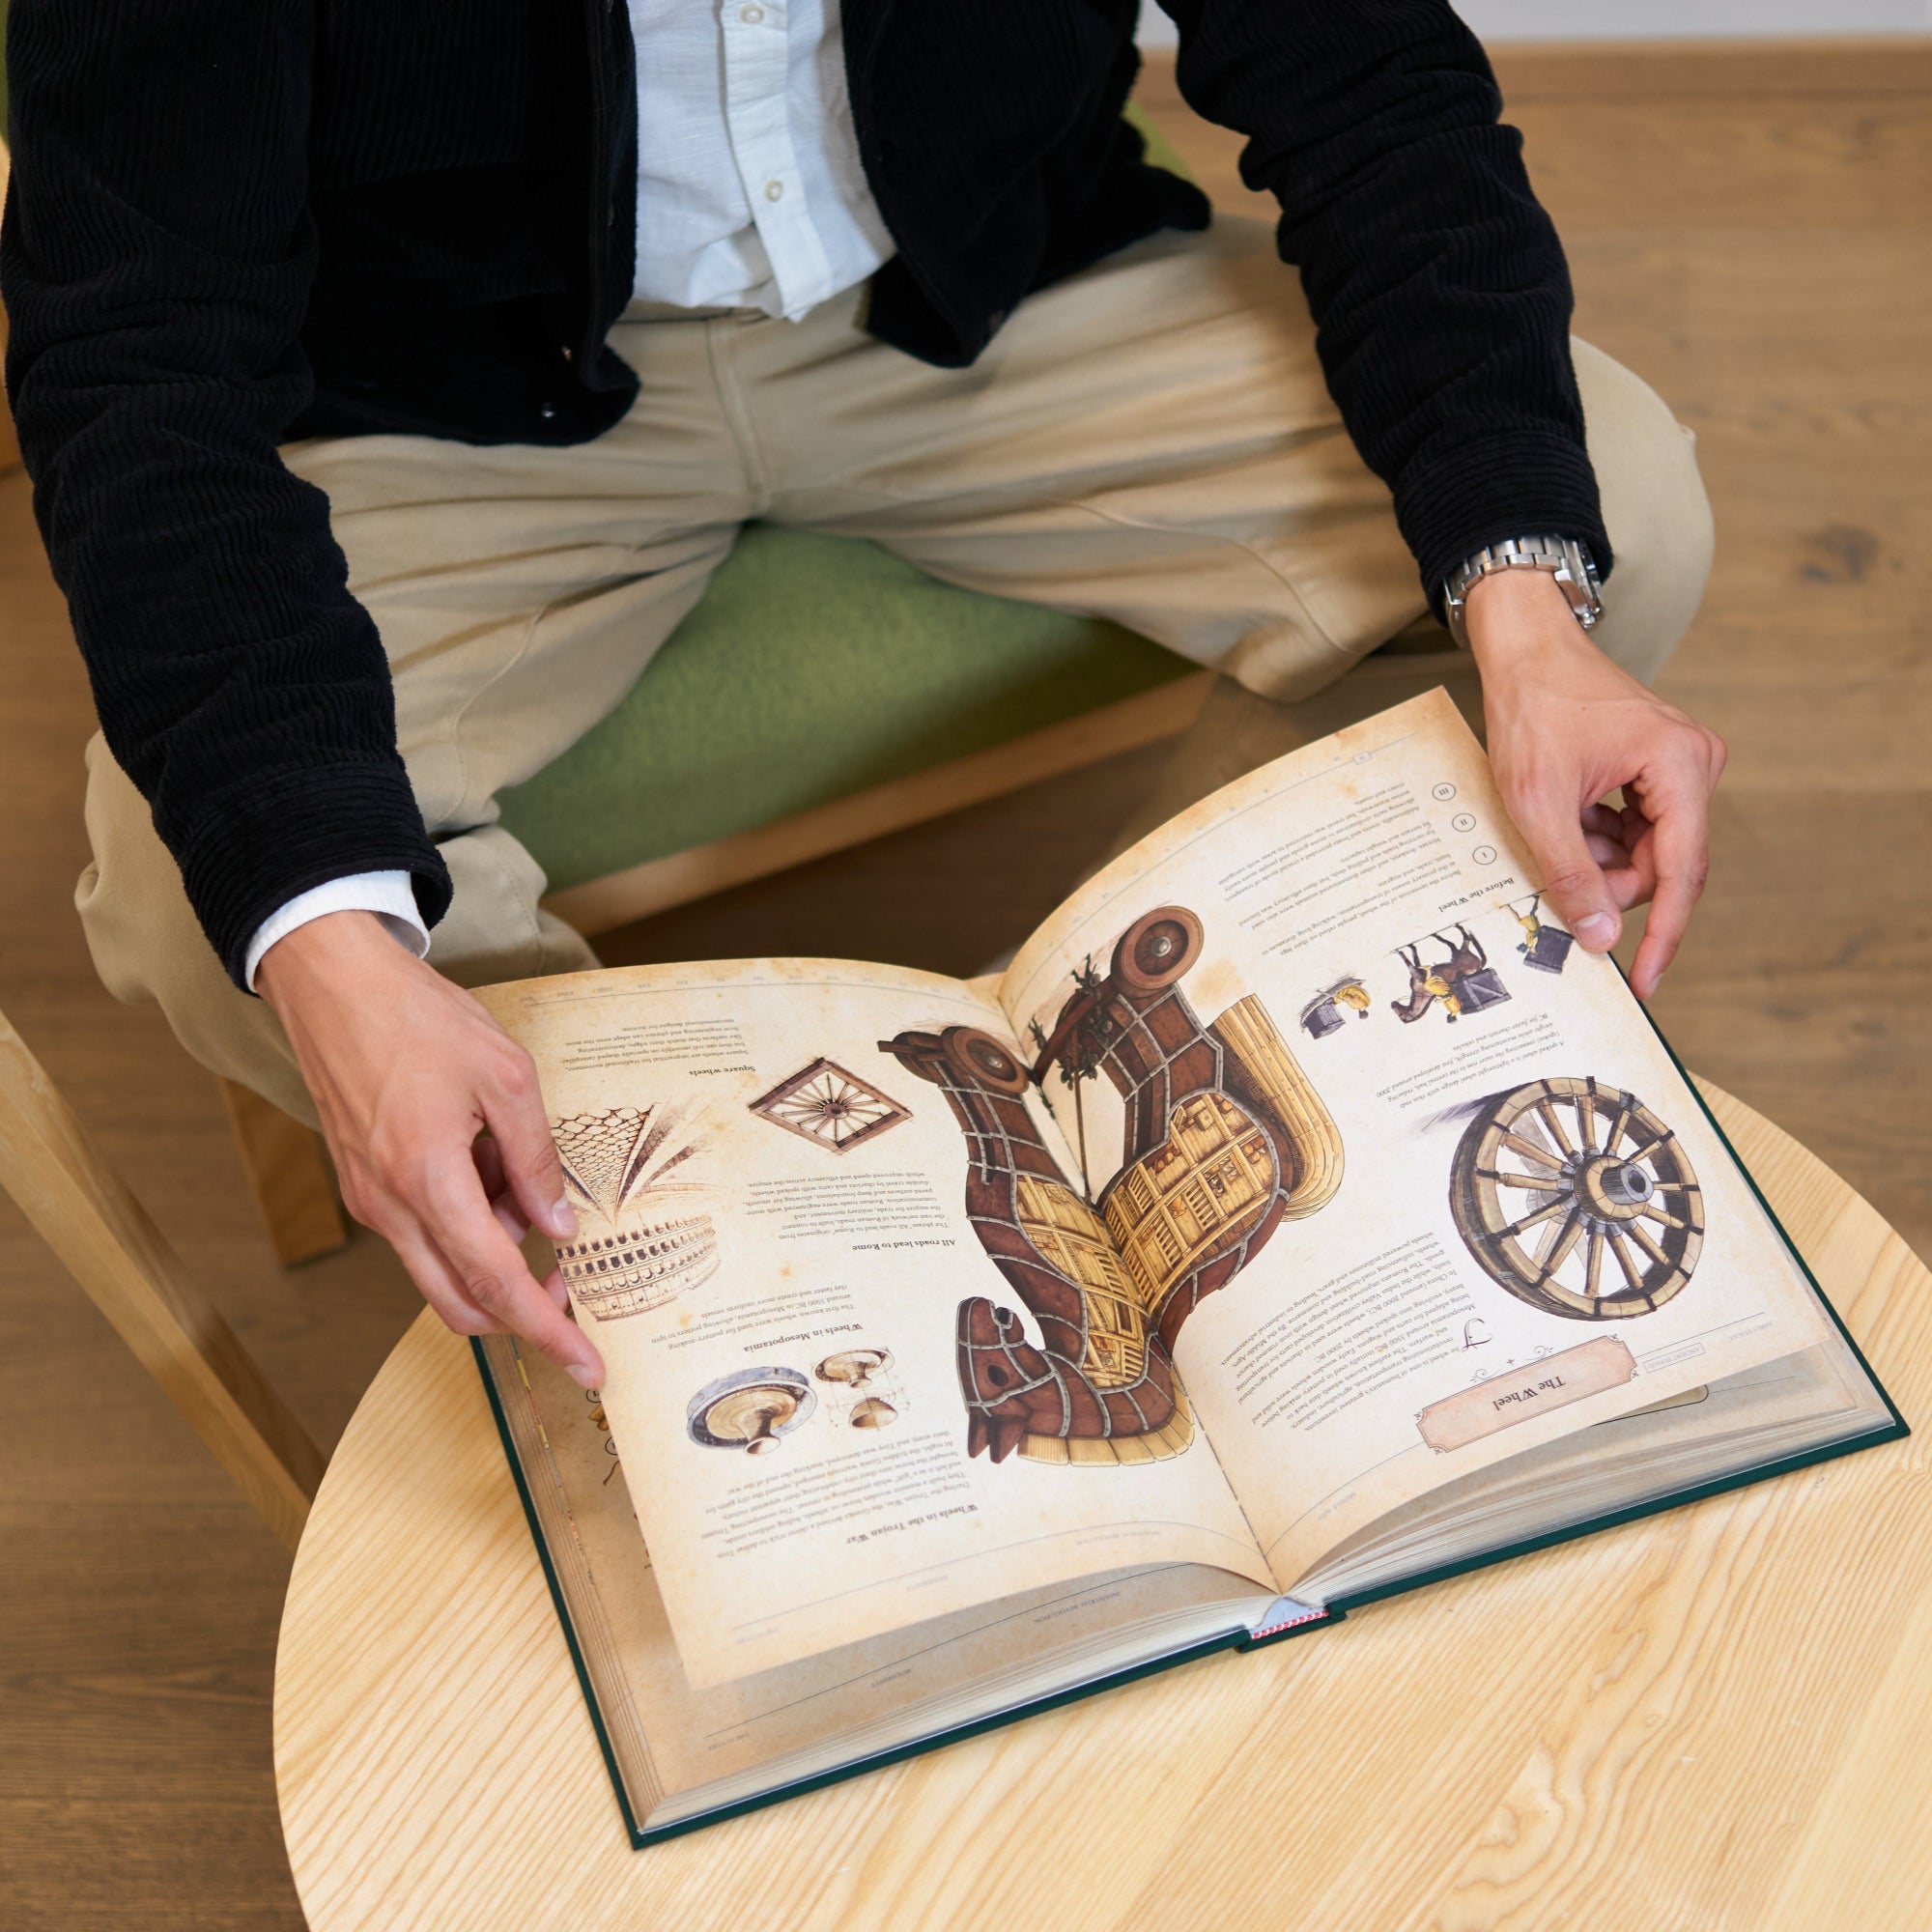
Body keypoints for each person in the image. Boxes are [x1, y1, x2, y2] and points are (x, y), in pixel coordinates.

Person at [1, 2, 1724, 1392]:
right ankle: (706, 1297)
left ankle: (1207, 1133)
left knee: (1608, 513)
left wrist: (1524, 610)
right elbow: (137, 339)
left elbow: (1367, 74)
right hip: (445, 383)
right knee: (198, 896)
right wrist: (321, 925)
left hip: (977, 300)